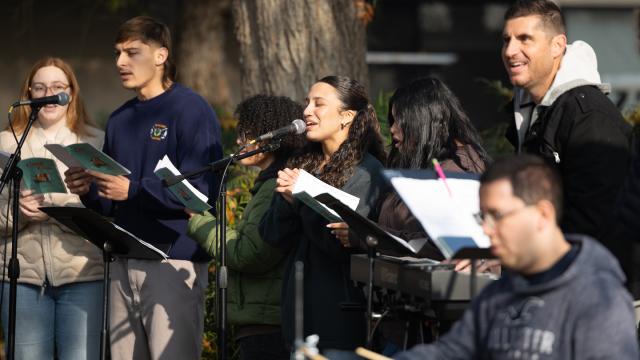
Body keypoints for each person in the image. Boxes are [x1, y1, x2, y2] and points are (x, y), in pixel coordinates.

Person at [64, 16, 222, 359]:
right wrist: (87, 191)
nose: (121, 62)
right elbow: (112, 202)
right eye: (117, 53)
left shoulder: (192, 109)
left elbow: (200, 192)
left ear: (161, 55)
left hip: (173, 262)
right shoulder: (120, 119)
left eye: (132, 52)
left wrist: (133, 190)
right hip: (123, 261)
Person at [394, 154, 640, 360]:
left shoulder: (600, 301)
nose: (486, 229)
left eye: (497, 215)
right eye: (483, 217)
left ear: (543, 214)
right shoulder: (497, 294)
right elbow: (452, 352)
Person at [259, 76, 387, 351]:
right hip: (297, 313)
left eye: (319, 104)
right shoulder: (304, 163)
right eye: (307, 103)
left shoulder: (366, 173)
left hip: (339, 316)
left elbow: (338, 245)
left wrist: (303, 199)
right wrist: (288, 202)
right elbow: (271, 236)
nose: (307, 111)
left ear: (347, 116)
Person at [502, 0, 632, 267]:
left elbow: (595, 223)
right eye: (506, 40)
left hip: (600, 289)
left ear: (557, 46)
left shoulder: (588, 116)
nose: (510, 50)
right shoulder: (528, 110)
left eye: (525, 39)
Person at [186, 95, 305, 360]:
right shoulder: (267, 184)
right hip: (261, 320)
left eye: (247, 133)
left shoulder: (276, 186)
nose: (239, 140)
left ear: (271, 136)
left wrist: (199, 219)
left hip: (268, 324)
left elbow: (248, 253)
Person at [0, 57, 104, 359]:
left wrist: (53, 204)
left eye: (58, 87)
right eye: (40, 88)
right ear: (29, 93)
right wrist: (19, 213)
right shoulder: (6, 143)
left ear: (71, 92)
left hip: (84, 274)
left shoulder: (96, 141)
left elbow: (108, 210)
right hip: (21, 278)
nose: (49, 95)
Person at [329, 77, 490, 260]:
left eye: (399, 121)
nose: (392, 129)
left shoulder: (456, 172)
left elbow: (436, 245)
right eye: (392, 120)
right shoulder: (426, 164)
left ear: (422, 120)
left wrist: (365, 236)